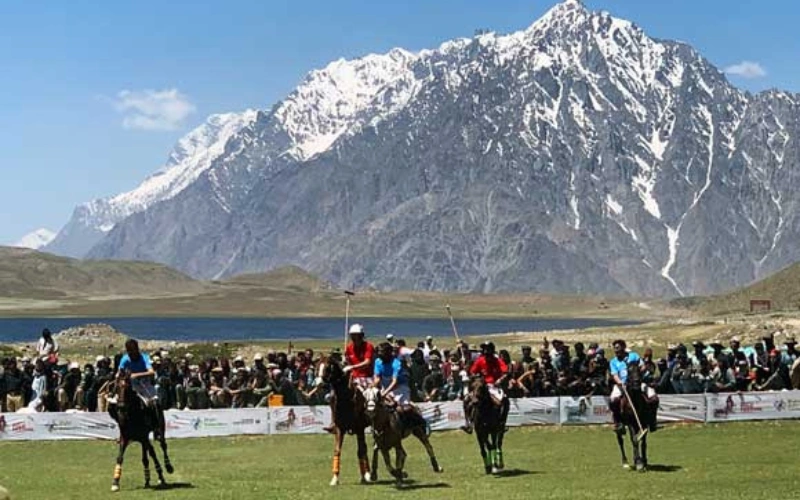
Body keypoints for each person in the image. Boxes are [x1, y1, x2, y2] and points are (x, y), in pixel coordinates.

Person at [608, 339, 656, 434]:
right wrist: (619, 382)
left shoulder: (634, 356)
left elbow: (643, 367)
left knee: (654, 398)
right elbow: (614, 375)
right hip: (622, 385)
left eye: (618, 348)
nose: (616, 350)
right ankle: (618, 423)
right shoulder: (613, 362)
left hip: (638, 382)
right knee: (613, 400)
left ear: (623, 347)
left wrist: (639, 373)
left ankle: (652, 421)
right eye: (615, 349)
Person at [461, 341, 508, 434]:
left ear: (492, 350)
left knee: (504, 402)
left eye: (488, 349)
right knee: (466, 400)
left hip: (494, 386)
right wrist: (476, 377)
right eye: (485, 349)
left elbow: (506, 372)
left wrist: (500, 380)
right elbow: (473, 372)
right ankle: (468, 424)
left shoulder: (497, 360)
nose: (486, 351)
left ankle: (501, 423)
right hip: (481, 385)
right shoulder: (480, 360)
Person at [115, 339, 158, 409]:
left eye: (133, 350)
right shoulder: (125, 359)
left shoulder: (144, 358)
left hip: (145, 383)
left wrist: (136, 375)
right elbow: (119, 372)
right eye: (130, 351)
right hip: (132, 385)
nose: (132, 353)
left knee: (155, 403)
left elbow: (151, 372)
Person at [343, 324, 375, 392]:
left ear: (361, 336)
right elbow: (347, 362)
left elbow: (367, 362)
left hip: (368, 377)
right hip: (354, 378)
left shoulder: (368, 346)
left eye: (356, 335)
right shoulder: (349, 348)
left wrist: (352, 367)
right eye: (352, 335)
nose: (354, 338)